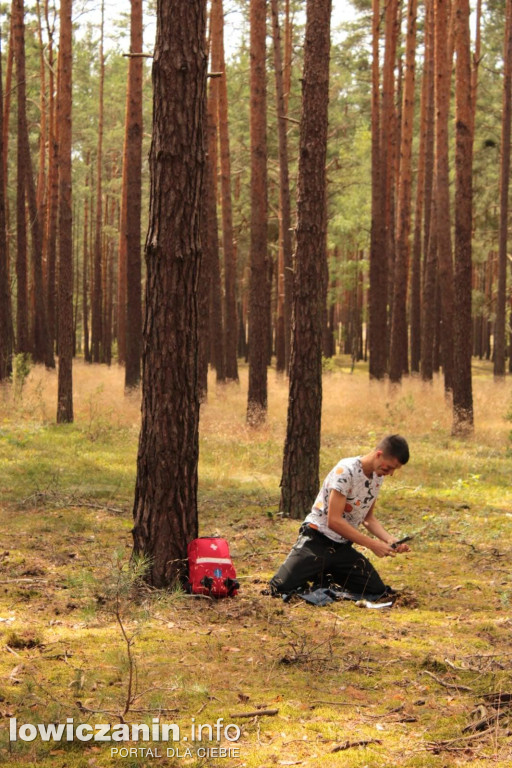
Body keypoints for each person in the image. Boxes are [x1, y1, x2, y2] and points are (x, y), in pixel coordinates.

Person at [270, 434, 411, 599]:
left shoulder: (376, 477)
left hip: (342, 547)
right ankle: (318, 571)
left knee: (375, 590)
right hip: (317, 540)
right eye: (389, 468)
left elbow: (368, 518)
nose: (391, 473)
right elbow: (334, 521)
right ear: (379, 454)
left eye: (395, 470)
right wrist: (373, 544)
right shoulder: (345, 470)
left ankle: (324, 573)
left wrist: (389, 540)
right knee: (280, 587)